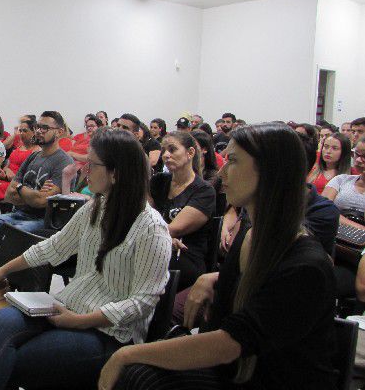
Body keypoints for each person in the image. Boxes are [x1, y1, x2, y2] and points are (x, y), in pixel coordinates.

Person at [99, 123, 337, 390]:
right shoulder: (250, 235)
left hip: (271, 379)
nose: (222, 172)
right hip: (238, 371)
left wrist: (127, 354)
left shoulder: (306, 265)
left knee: (137, 371)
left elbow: (228, 344)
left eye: (233, 161)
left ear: (270, 171)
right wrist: (217, 277)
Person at [0, 128, 172, 390]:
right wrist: (3, 271)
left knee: (15, 360)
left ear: (115, 173)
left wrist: (80, 321)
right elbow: (54, 247)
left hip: (108, 333)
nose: (84, 170)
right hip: (69, 307)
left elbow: (143, 301)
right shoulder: (95, 207)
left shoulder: (151, 227)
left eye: (92, 164)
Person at [0, 111, 74, 246]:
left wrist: (19, 188)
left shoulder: (64, 162)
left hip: (42, 221)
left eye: (45, 128)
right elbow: (8, 195)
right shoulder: (33, 156)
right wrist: (33, 194)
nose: (39, 131)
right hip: (17, 214)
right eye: (38, 127)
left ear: (59, 132)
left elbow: (42, 201)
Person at [150, 131, 216, 291]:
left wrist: (162, 236)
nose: (166, 155)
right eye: (164, 150)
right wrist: (166, 239)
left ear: (190, 152)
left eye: (172, 150)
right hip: (154, 249)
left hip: (184, 257)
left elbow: (175, 229)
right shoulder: (158, 181)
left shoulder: (204, 191)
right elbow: (139, 217)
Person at [323, 136, 365, 231]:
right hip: (335, 236)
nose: (358, 160)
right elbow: (323, 208)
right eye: (357, 155)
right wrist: (359, 228)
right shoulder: (341, 180)